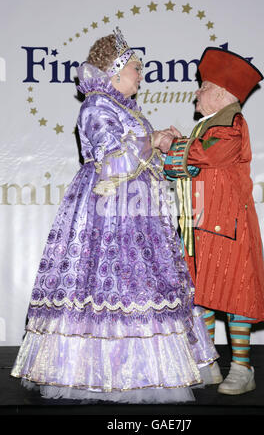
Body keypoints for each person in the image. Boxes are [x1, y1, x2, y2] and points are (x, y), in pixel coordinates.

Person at [11, 29, 218, 404]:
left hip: (137, 211)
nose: (141, 75)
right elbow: (109, 160)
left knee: (144, 286)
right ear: (116, 72)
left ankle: (149, 370)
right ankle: (94, 371)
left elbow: (137, 158)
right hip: (106, 213)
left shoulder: (125, 108)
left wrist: (161, 142)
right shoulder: (95, 106)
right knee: (107, 285)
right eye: (137, 68)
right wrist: (150, 141)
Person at [162, 47, 264, 395]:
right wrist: (176, 150)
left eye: (204, 85)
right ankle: (207, 362)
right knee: (201, 296)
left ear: (223, 94)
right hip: (200, 228)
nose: (196, 91)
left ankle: (242, 367)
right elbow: (175, 169)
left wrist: (172, 144)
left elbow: (204, 155)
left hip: (229, 229)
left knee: (236, 297)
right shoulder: (207, 125)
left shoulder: (231, 124)